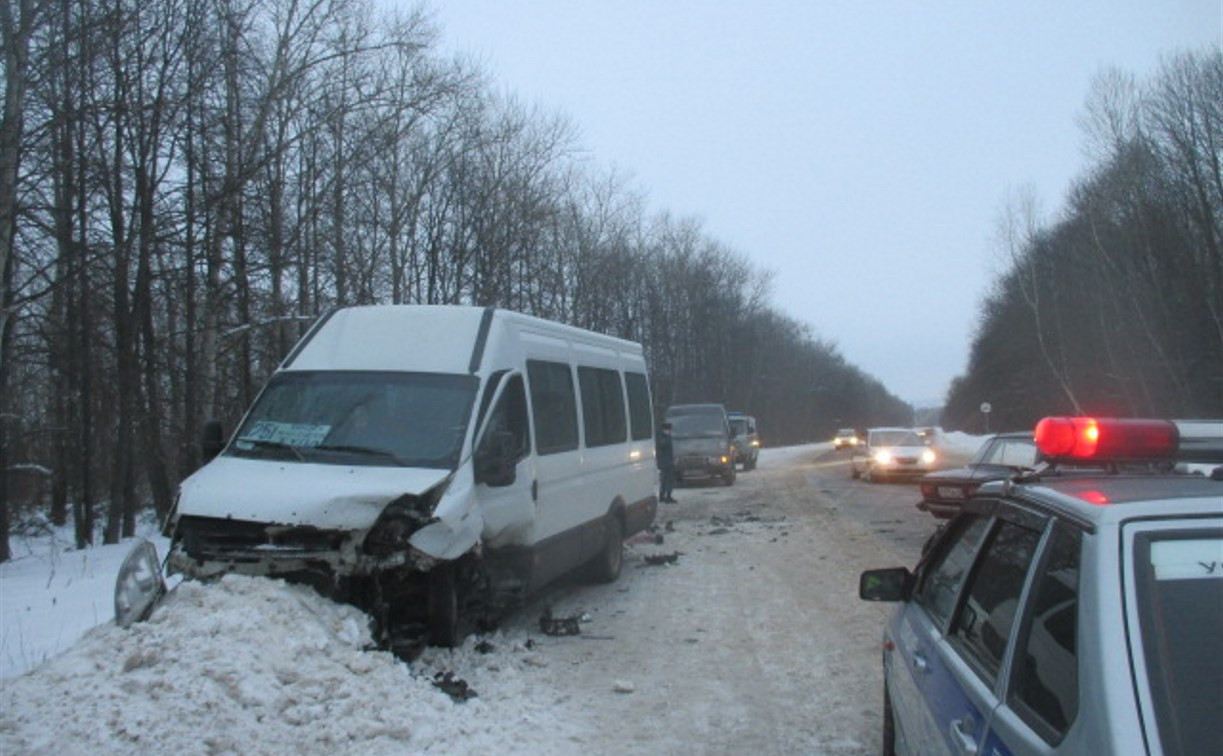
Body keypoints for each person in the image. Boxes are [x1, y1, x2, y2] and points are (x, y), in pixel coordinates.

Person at [656, 421, 676, 503]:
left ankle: (662, 496)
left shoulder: (662, 437)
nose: (670, 431)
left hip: (664, 462)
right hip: (666, 462)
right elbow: (662, 448)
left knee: (664, 480)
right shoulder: (665, 438)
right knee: (668, 480)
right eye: (669, 429)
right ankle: (667, 496)